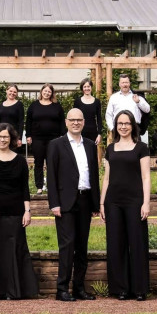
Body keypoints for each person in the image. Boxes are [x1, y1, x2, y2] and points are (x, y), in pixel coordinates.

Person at [0, 124, 39, 300]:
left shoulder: (20, 161)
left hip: (16, 213)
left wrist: (27, 211)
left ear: (11, 139)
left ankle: (15, 291)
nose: (2, 140)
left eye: (5, 137)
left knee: (15, 250)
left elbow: (25, 188)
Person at [47, 109, 100, 301]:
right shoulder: (56, 145)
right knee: (67, 246)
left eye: (79, 120)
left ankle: (79, 288)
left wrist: (95, 204)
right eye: (72, 120)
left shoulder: (90, 145)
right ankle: (62, 289)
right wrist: (54, 203)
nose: (76, 123)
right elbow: (51, 176)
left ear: (84, 122)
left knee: (82, 247)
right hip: (65, 202)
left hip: (85, 200)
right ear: (66, 122)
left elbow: (94, 174)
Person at [100, 110, 151, 301]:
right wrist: (102, 202)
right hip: (113, 202)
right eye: (120, 123)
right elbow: (106, 178)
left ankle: (139, 289)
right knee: (116, 244)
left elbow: (146, 177)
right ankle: (121, 288)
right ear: (116, 126)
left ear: (133, 125)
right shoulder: (110, 149)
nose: (123, 126)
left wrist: (146, 203)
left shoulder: (141, 148)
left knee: (137, 244)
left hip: (135, 201)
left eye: (127, 123)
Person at [25, 83, 65, 194]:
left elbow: (62, 121)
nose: (47, 93)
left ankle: (52, 186)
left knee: (52, 162)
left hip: (54, 139)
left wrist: (62, 135)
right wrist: (28, 135)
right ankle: (39, 187)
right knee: (38, 162)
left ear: (52, 93)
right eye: (45, 91)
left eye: (49, 91)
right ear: (41, 91)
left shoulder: (57, 106)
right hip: (37, 138)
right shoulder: (34, 105)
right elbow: (28, 121)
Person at [73, 78, 102, 145]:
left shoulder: (97, 102)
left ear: (91, 87)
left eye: (88, 86)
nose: (87, 88)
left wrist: (99, 134)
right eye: (85, 87)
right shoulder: (77, 102)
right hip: (80, 132)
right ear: (82, 88)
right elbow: (74, 117)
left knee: (92, 150)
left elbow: (99, 119)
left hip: (93, 132)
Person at [0, 84, 24, 150]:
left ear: (17, 93)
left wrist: (19, 138)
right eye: (10, 91)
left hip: (13, 135)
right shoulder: (1, 104)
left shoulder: (19, 104)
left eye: (14, 92)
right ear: (6, 91)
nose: (12, 93)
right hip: (2, 135)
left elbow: (21, 122)